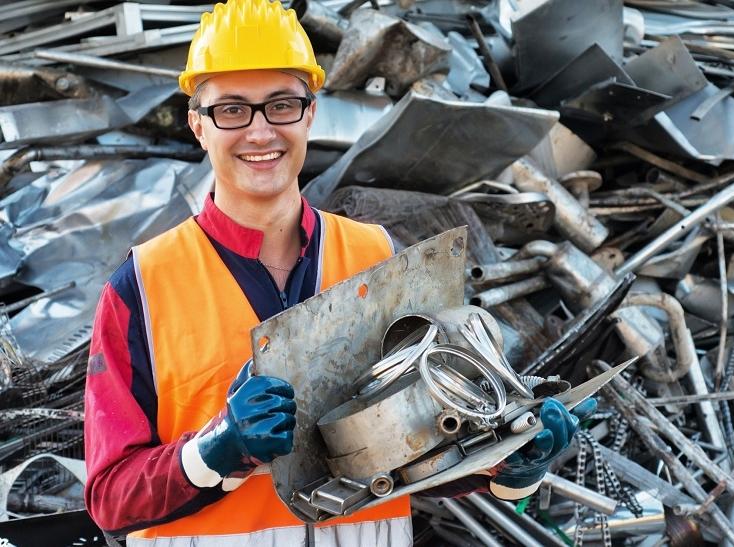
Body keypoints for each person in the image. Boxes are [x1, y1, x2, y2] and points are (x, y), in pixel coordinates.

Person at [82, 1, 594, 545]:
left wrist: (509, 465)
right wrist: (213, 452)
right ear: (197, 125)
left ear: (309, 113)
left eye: (281, 105)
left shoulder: (376, 257)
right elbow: (110, 500)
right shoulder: (144, 284)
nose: (259, 133)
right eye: (231, 110)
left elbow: (417, 448)